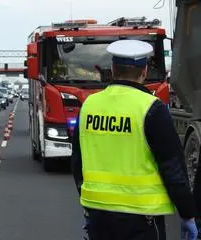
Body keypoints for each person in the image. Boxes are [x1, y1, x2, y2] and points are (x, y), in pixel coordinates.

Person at [71, 39, 198, 240]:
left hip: (98, 215)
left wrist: (89, 202)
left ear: (113, 69)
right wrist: (187, 214)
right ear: (144, 71)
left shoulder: (89, 106)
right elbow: (173, 167)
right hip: (141, 218)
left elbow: (77, 161)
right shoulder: (151, 108)